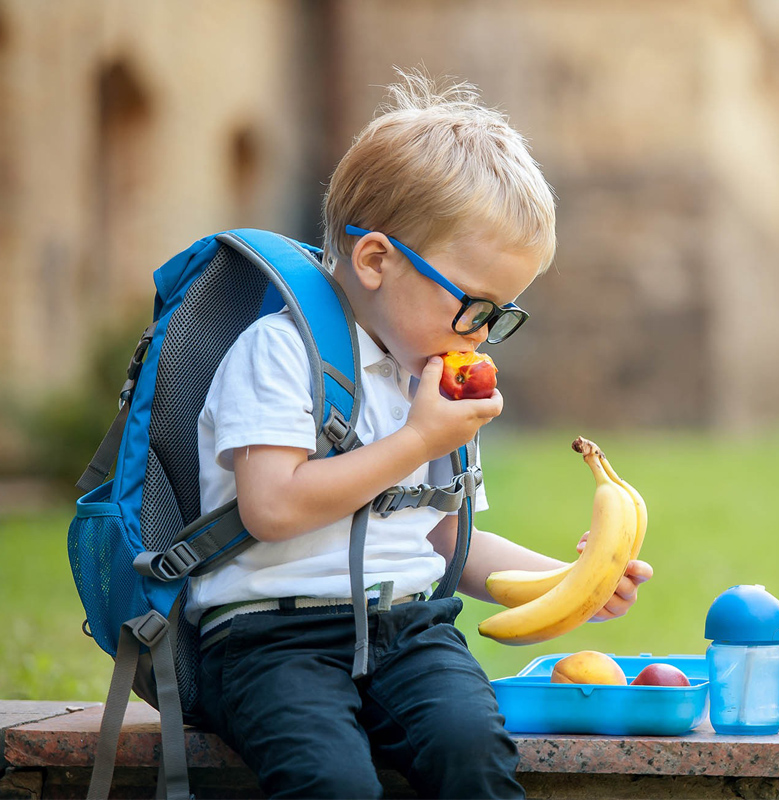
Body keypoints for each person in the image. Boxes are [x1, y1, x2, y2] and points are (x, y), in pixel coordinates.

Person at [187, 68, 653, 799]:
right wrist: (416, 441)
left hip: (409, 630)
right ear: (376, 260)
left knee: (474, 750)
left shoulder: (430, 380)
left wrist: (574, 582)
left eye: (499, 313)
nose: (480, 332)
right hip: (270, 640)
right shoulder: (282, 354)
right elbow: (270, 508)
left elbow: (443, 540)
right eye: (473, 304)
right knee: (332, 783)